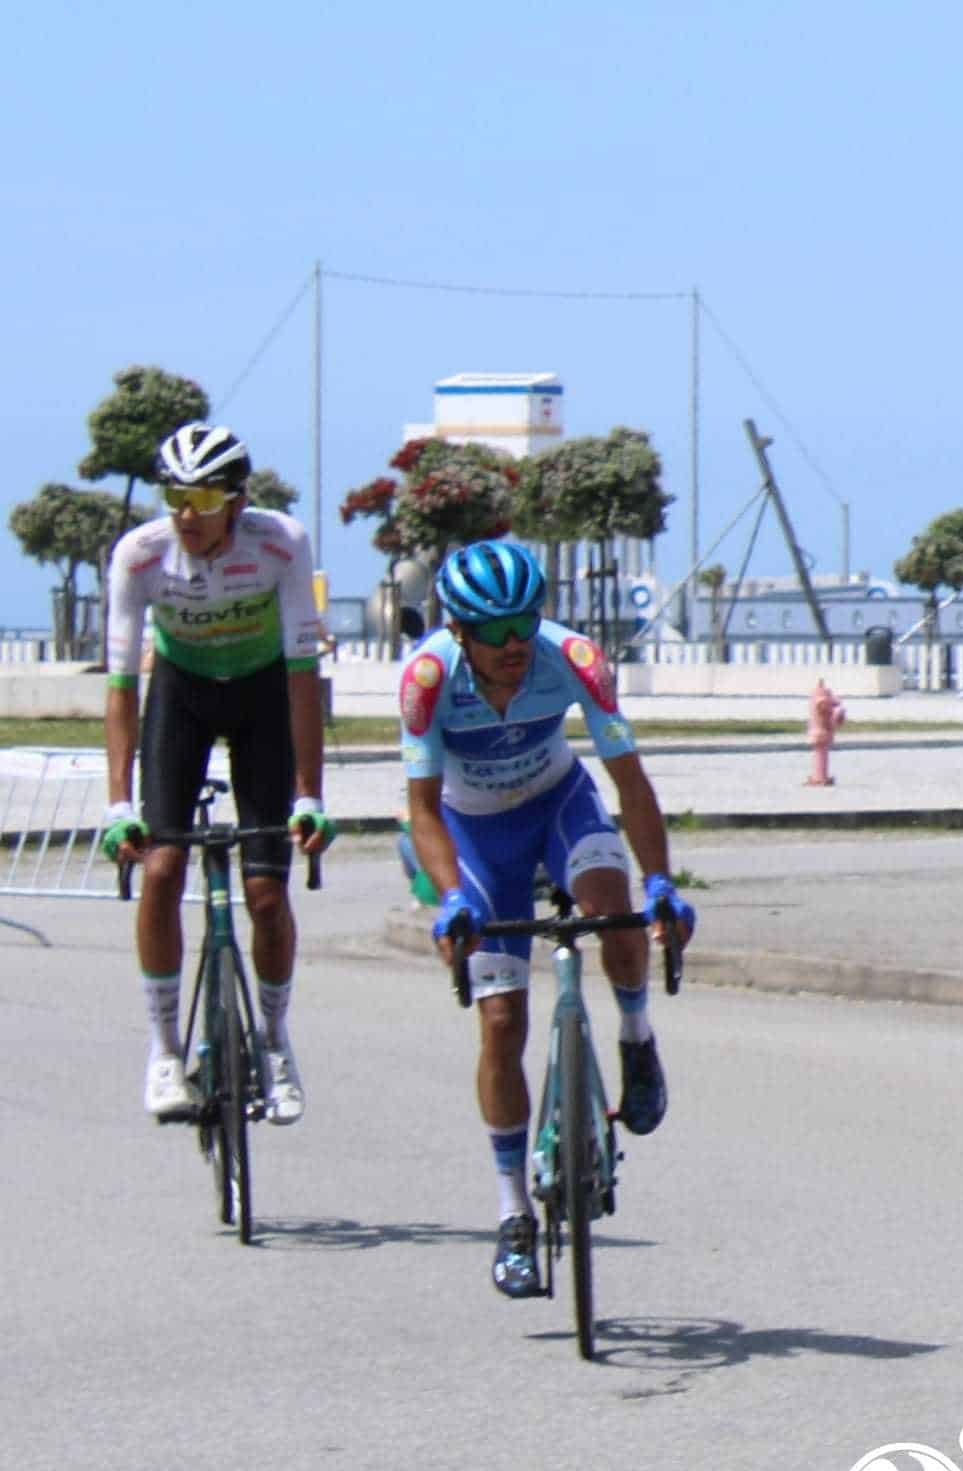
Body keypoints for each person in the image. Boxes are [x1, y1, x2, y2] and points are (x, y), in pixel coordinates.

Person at [400, 541, 695, 1300]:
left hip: (558, 803)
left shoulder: (574, 658)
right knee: (501, 1021)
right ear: (457, 629)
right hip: (475, 837)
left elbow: (629, 783)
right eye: (490, 630)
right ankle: (511, 1215)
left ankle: (635, 1040)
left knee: (615, 911)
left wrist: (660, 879)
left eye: (522, 624)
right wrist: (450, 899)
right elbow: (422, 811)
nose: (510, 645)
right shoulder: (428, 678)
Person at [102, 424, 335, 1124]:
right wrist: (119, 804)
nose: (186, 513)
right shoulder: (139, 556)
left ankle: (273, 1041)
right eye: (175, 495)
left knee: (266, 894)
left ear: (236, 501)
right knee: (163, 869)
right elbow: (119, 687)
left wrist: (309, 796)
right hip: (183, 695)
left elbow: (302, 676)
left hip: (263, 694)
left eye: (203, 497)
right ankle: (165, 1051)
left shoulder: (280, 543)